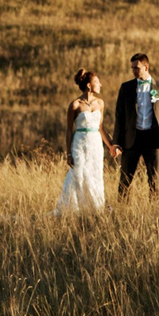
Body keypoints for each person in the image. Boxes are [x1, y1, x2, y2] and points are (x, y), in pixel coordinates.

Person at [54, 68, 113, 216]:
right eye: (97, 82)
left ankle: (96, 209)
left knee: (95, 175)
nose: (100, 85)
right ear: (89, 85)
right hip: (80, 144)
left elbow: (101, 128)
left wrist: (111, 146)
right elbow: (68, 131)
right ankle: (74, 209)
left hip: (96, 145)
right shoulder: (75, 105)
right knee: (79, 175)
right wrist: (68, 153)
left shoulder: (100, 103)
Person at [113, 52, 159, 196]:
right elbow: (119, 116)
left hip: (153, 138)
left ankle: (154, 211)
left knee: (155, 180)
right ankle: (122, 210)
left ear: (146, 67)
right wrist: (117, 142)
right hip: (132, 138)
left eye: (136, 68)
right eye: (132, 68)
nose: (133, 71)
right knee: (125, 179)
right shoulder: (126, 88)